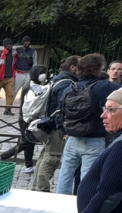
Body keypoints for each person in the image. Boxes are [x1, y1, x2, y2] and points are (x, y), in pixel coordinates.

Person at [56, 53, 121, 195]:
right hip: (94, 139)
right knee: (88, 178)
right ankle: (82, 207)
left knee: (65, 175)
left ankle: (59, 206)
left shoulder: (70, 88)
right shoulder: (105, 87)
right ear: (98, 69)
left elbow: (60, 113)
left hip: (72, 138)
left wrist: (64, 131)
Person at [33, 56, 80, 192]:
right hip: (57, 127)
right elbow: (62, 109)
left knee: (45, 155)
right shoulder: (67, 83)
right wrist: (64, 129)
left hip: (51, 124)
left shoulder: (58, 79)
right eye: (80, 66)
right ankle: (42, 188)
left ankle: (37, 186)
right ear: (73, 67)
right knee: (52, 157)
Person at [0, 66, 48, 171]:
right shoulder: (33, 86)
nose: (44, 75)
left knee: (30, 141)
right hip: (28, 118)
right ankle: (1, 156)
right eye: (42, 72)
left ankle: (29, 165)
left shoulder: (31, 85)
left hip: (25, 117)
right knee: (27, 142)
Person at [0, 38, 17, 116]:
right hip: (1, 78)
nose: (10, 45)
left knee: (10, 94)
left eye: (11, 44)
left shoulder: (14, 54)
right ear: (5, 45)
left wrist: (14, 75)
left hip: (10, 77)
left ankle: (7, 110)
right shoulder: (1, 54)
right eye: (8, 44)